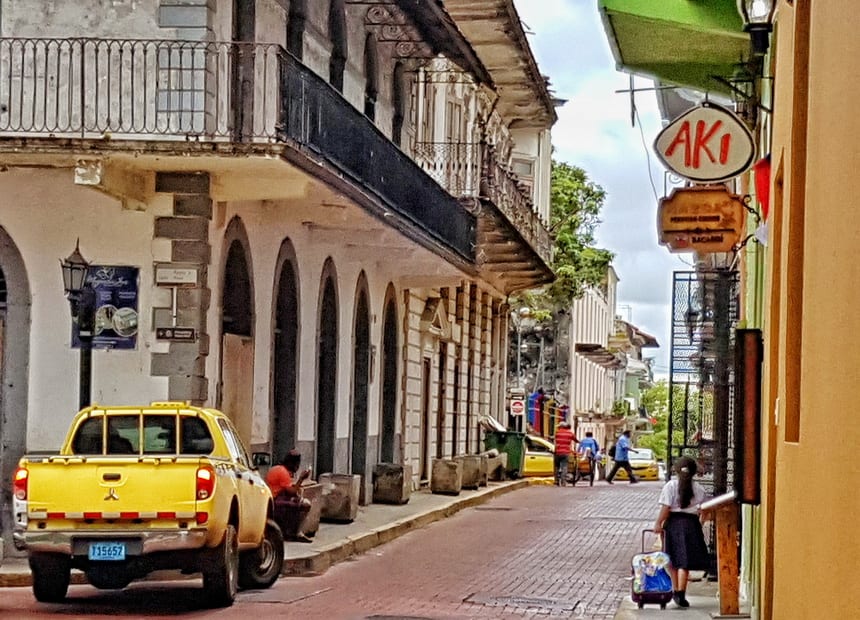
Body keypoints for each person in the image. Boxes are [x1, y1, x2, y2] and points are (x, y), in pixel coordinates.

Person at [653, 456, 710, 608]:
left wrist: (658, 523)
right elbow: (705, 510)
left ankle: (675, 589)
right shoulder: (699, 488)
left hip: (673, 523)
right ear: (693, 472)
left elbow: (665, 508)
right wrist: (700, 522)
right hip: (691, 524)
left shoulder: (670, 486)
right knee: (684, 561)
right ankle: (681, 593)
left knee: (671, 558)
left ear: (676, 470)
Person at [266, 449, 313, 542]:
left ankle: (289, 531)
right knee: (306, 504)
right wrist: (301, 479)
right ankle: (297, 532)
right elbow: (292, 491)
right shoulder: (283, 473)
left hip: (272, 499)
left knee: (298, 500)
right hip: (276, 502)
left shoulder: (277, 469)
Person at [552, 421, 578, 486]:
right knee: (564, 467)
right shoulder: (570, 433)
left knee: (556, 467)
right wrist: (579, 442)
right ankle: (563, 482)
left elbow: (554, 439)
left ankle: (556, 481)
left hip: (557, 452)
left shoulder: (557, 433)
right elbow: (575, 440)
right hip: (566, 452)